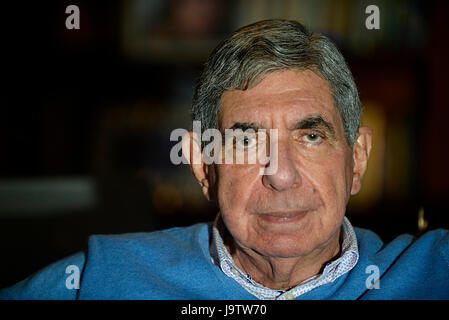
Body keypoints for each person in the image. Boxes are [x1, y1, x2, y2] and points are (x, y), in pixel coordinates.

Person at [1, 19, 448, 300]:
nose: (282, 175)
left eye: (311, 136)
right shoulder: (102, 278)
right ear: (202, 167)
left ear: (359, 160)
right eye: (248, 142)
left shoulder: (434, 271)